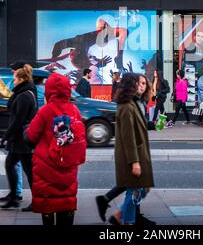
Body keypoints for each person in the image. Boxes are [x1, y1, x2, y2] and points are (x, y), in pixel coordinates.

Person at [25, 73, 85, 226]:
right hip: (68, 168)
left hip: (46, 172)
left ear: (49, 91)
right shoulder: (74, 110)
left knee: (49, 209)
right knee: (66, 207)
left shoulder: (45, 111)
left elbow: (31, 136)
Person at [110, 73, 154, 225]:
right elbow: (128, 136)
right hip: (132, 156)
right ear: (130, 85)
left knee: (141, 188)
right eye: (138, 83)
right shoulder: (127, 105)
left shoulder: (135, 102)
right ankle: (127, 221)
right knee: (134, 191)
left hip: (138, 153)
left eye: (143, 83)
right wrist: (134, 162)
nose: (142, 86)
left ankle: (120, 216)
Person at [0, 65, 36, 210]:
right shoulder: (22, 93)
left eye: (15, 78)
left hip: (22, 140)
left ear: (21, 79)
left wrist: (6, 135)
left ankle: (36, 200)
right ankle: (14, 196)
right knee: (10, 165)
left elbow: (19, 119)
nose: (13, 81)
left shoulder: (25, 95)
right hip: (18, 139)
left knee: (29, 171)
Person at [40, 18, 129, 77]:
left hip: (81, 53)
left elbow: (58, 45)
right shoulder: (81, 47)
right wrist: (99, 63)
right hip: (82, 58)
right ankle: (118, 57)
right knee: (122, 31)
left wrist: (53, 61)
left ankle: (117, 56)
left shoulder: (79, 44)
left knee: (105, 25)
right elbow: (89, 72)